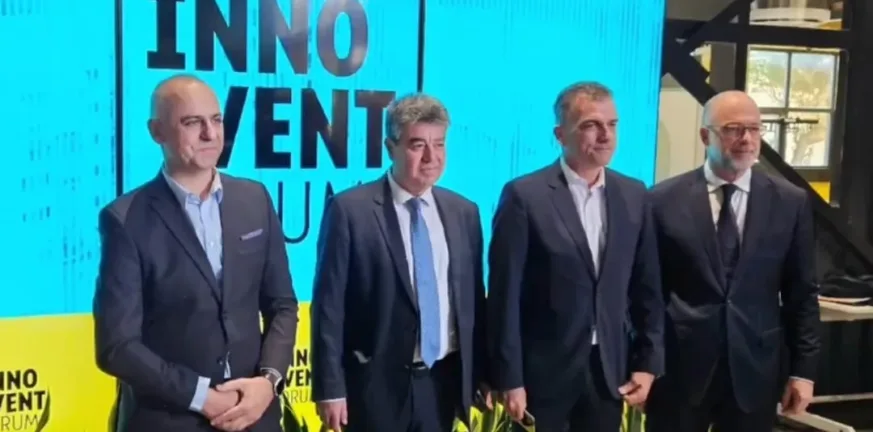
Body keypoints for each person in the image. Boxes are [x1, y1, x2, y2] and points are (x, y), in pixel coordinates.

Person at [93, 74, 298, 432]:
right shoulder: (125, 219)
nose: (210, 134)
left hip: (256, 415)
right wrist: (202, 397)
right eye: (192, 123)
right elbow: (117, 346)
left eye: (216, 120)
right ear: (157, 132)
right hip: (170, 421)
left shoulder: (255, 199)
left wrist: (268, 382)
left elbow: (282, 305)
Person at [487, 81, 665, 432]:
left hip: (608, 372)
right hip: (541, 375)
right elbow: (504, 298)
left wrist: (647, 363)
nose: (605, 135)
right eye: (591, 125)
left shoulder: (633, 194)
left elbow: (647, 287)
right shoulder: (525, 196)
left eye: (612, 124)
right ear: (560, 135)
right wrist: (509, 377)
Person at [311, 93, 488, 432]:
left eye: (439, 144)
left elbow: (473, 303)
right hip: (374, 389)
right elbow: (328, 308)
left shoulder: (464, 212)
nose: (431, 157)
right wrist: (330, 388)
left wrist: (481, 374)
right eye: (417, 145)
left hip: (442, 383)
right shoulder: (350, 210)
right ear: (390, 148)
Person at [645, 90, 820, 432]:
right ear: (705, 136)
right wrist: (644, 363)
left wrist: (803, 372)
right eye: (733, 129)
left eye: (754, 129)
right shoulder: (661, 201)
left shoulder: (790, 202)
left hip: (755, 369)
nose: (746, 139)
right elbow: (647, 293)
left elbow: (802, 294)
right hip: (679, 371)